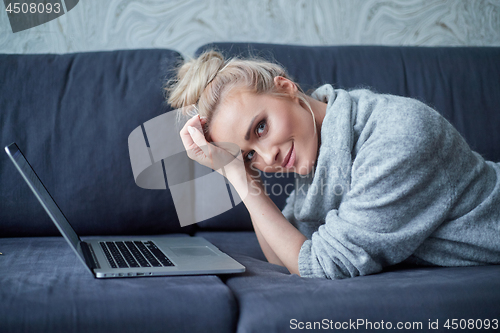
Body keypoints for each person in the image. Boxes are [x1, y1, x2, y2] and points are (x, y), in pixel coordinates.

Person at [166, 50, 500, 279]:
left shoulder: (399, 137)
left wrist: (239, 176)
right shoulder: (318, 150)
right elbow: (281, 254)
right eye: (250, 153)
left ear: (286, 87)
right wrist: (242, 173)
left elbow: (321, 265)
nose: (269, 157)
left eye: (261, 127)